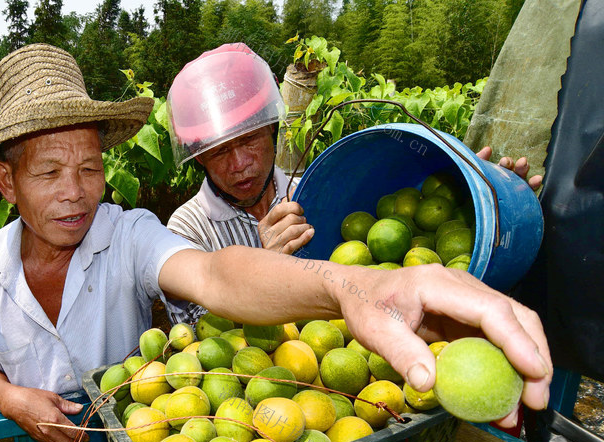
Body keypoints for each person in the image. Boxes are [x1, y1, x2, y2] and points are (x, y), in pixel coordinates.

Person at [0, 43, 552, 442]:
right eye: (49, 173)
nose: (75, 194)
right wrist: (11, 397)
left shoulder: (126, 234)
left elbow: (214, 276)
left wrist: (354, 285)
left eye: (90, 168)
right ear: (6, 180)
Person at [164, 43, 543, 325]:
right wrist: (267, 273)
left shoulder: (310, 191)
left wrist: (484, 198)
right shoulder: (186, 229)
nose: (239, 164)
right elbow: (199, 343)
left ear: (272, 131)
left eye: (249, 141)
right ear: (199, 158)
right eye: (219, 153)